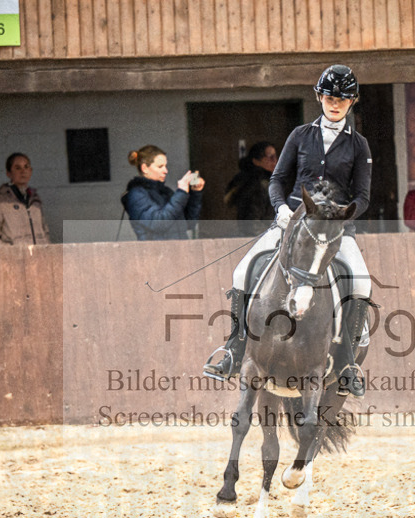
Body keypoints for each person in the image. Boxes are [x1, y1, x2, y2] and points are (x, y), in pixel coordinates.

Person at [203, 64, 373, 397]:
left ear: (352, 102)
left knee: (362, 282)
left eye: (342, 98)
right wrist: (281, 209)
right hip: (293, 222)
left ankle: (349, 362)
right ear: (319, 97)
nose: (335, 103)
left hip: (335, 232)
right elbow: (278, 180)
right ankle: (234, 350)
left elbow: (363, 196)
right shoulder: (299, 136)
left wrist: (340, 219)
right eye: (329, 96)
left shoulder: (359, 145)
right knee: (241, 273)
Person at [121, 145, 204, 240]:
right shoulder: (136, 195)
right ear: (145, 168)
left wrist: (195, 193)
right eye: (160, 166)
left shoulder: (166, 192)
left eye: (165, 166)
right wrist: (181, 192)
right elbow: (159, 224)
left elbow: (189, 223)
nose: (166, 171)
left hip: (179, 250)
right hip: (155, 252)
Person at [0, 153, 52, 246]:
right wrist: (13, 253)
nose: (23, 171)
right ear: (9, 173)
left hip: (38, 258)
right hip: (13, 259)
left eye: (26, 167)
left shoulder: (35, 200)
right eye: (18, 168)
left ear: (31, 171)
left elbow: (45, 233)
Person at [224, 141, 278, 236]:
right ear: (256, 161)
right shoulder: (256, 184)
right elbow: (252, 223)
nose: (275, 160)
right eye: (270, 157)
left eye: (275, 156)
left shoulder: (267, 181)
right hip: (258, 239)